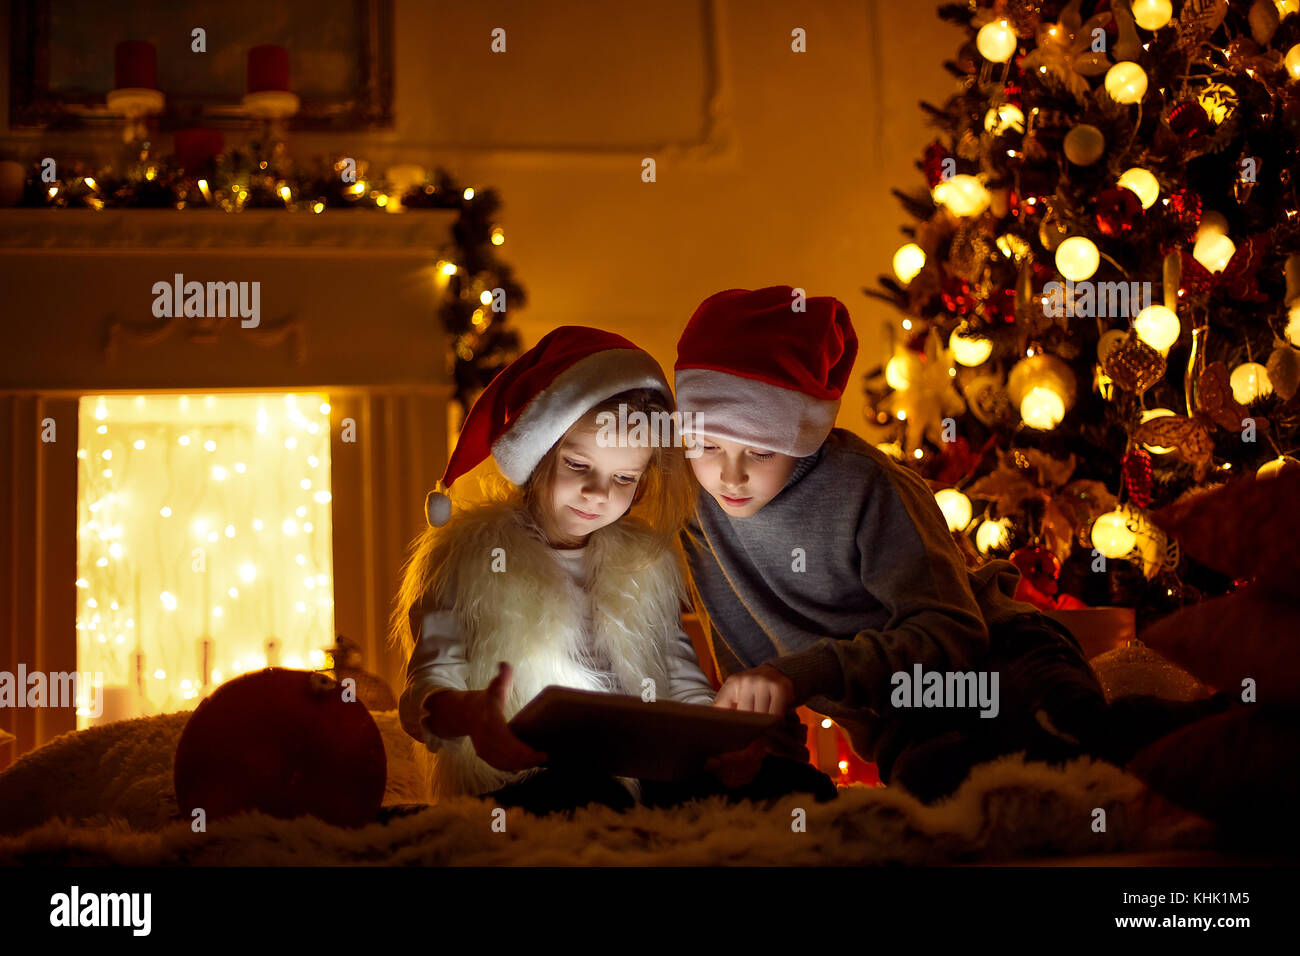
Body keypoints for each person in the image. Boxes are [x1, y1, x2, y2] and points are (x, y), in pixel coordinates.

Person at [672, 286, 1150, 804]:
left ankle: (1187, 729)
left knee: (1076, 755)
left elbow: (953, 631)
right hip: (905, 724)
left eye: (761, 451)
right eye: (705, 445)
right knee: (943, 793)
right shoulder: (698, 512)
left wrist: (805, 673)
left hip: (1002, 661)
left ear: (802, 434)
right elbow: (750, 669)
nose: (730, 475)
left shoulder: (867, 485)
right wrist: (758, 747)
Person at [391, 326, 722, 816]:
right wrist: (472, 716)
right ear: (539, 453)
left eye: (624, 477)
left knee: (782, 783)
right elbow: (424, 692)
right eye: (577, 465)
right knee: (587, 789)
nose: (598, 493)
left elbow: (680, 680)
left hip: (641, 776)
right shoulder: (466, 559)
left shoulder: (648, 566)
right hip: (522, 780)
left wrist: (717, 737)